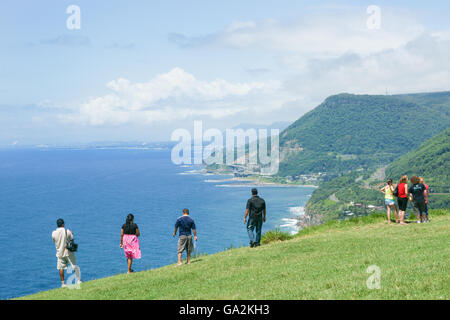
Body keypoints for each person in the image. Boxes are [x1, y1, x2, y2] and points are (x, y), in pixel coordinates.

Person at [52, 218, 81, 288]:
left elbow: (55, 241)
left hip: (59, 253)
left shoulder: (53, 233)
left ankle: (63, 283)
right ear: (63, 224)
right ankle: (78, 280)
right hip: (68, 252)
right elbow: (72, 240)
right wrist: (71, 233)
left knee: (61, 268)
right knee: (75, 266)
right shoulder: (67, 231)